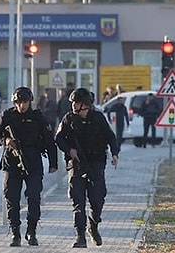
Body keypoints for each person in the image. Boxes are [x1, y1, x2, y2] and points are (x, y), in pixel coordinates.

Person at [55, 88, 119, 248]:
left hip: (96, 162)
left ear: (85, 105)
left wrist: (115, 153)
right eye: (73, 103)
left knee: (97, 199)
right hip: (76, 164)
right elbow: (59, 138)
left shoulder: (98, 118)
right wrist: (70, 150)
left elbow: (111, 137)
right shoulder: (68, 119)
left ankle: (93, 226)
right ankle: (80, 236)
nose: (73, 106)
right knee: (78, 200)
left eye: (76, 103)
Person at [0, 87, 58, 247]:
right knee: (11, 197)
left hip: (33, 161)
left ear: (30, 102)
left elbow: (50, 140)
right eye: (18, 102)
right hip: (11, 161)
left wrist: (53, 163)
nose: (22, 105)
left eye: (25, 102)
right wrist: (5, 140)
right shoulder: (7, 116)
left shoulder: (38, 118)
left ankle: (32, 231)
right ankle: (15, 232)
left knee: (34, 197)